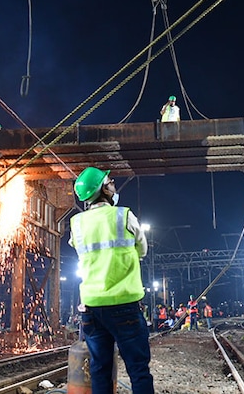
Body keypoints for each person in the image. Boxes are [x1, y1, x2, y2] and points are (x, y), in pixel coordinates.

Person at [69, 166, 154, 394]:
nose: (114, 184)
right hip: (124, 305)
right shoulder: (124, 215)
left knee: (100, 370)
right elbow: (142, 250)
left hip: (92, 308)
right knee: (138, 370)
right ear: (104, 189)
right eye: (110, 181)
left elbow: (81, 253)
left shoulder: (76, 223)